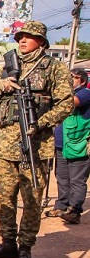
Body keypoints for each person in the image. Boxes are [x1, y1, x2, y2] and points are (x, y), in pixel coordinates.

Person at [0, 20, 73, 258]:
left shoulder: (54, 68)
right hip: (5, 146)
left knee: (32, 200)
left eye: (28, 36)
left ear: (41, 41)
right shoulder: (8, 67)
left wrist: (41, 123)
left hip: (36, 146)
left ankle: (26, 246)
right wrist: (0, 86)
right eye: (20, 36)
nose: (22, 40)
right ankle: (8, 242)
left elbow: (65, 104)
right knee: (4, 198)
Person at [44, 68, 90, 224]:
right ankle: (62, 205)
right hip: (61, 144)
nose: (70, 80)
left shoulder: (85, 93)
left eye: (74, 78)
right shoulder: (65, 94)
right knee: (62, 177)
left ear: (82, 80)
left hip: (78, 145)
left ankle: (74, 210)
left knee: (77, 180)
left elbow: (71, 103)